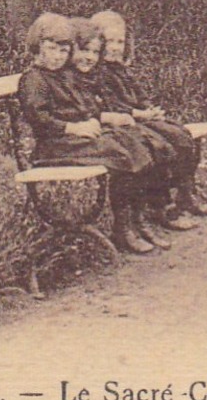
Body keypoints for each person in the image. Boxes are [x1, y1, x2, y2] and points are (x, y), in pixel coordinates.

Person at [16, 12, 159, 254]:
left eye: (63, 51)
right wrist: (73, 127)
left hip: (74, 140)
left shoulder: (62, 76)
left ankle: (132, 220)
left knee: (130, 142)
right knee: (121, 154)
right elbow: (39, 118)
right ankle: (123, 228)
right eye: (51, 49)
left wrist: (90, 121)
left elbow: (84, 106)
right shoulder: (34, 79)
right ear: (36, 48)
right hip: (54, 146)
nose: (57, 56)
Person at [92, 10, 207, 228]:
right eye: (109, 41)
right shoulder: (97, 73)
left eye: (120, 41)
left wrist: (149, 108)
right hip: (121, 124)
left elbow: (138, 95)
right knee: (159, 146)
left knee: (180, 134)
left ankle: (185, 195)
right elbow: (112, 106)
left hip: (137, 120)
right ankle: (158, 207)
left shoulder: (120, 69)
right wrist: (140, 114)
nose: (114, 47)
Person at [69, 17, 170, 250]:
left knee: (139, 146)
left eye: (95, 52)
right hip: (73, 139)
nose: (89, 57)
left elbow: (97, 105)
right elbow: (73, 113)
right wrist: (103, 118)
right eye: (83, 50)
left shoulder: (91, 74)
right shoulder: (68, 77)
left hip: (94, 133)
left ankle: (138, 221)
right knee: (125, 155)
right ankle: (123, 228)